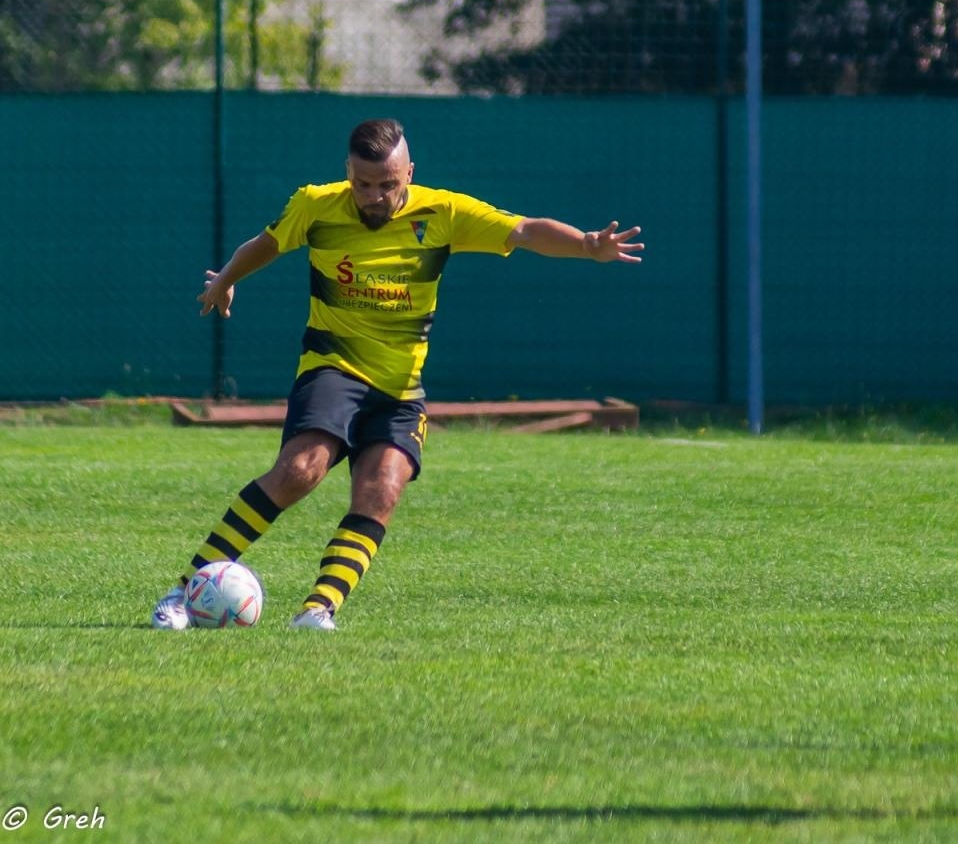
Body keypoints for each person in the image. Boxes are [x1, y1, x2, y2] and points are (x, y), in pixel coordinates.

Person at [152, 118, 644, 631]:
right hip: (332, 366)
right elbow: (268, 243)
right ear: (348, 172)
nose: (374, 196)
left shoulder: (444, 213)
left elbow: (522, 231)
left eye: (387, 184)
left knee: (382, 488)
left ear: (409, 172)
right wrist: (227, 279)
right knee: (301, 470)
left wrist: (586, 245)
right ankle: (183, 593)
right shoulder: (316, 206)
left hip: (400, 388)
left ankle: (318, 610)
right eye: (363, 184)